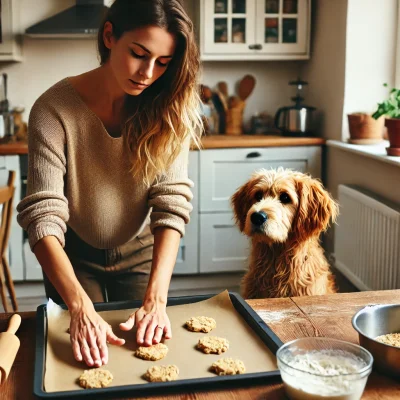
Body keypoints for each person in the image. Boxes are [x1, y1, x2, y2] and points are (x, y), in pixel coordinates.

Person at [17, 0, 202, 368]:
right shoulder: (53, 110)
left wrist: (157, 299)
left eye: (163, 62)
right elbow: (43, 215)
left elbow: (171, 202)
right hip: (74, 257)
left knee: (140, 359)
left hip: (139, 253)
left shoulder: (170, 105)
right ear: (109, 36)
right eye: (138, 53)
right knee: (82, 361)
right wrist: (79, 307)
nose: (148, 72)